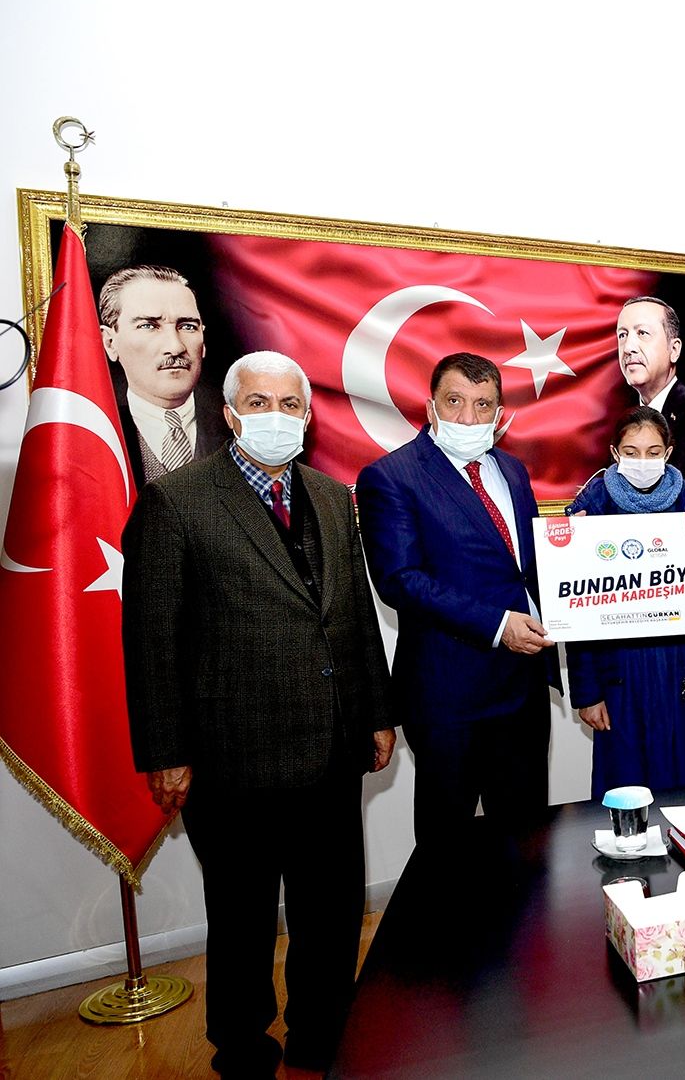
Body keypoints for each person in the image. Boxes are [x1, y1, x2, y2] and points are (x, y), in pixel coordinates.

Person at [122, 350, 395, 1078]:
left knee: (331, 910)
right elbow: (150, 642)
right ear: (230, 413)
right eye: (259, 403)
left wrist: (376, 712)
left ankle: (321, 1033)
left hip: (331, 748)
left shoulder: (331, 497)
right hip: (231, 758)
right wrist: (164, 753)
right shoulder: (176, 502)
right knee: (242, 918)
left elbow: (352, 617)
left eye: (290, 404)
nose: (276, 416)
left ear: (307, 416)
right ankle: (240, 1048)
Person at [356, 353, 560, 848]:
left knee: (528, 842)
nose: (468, 418)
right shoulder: (391, 476)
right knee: (446, 850)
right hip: (448, 697)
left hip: (523, 691)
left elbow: (526, 568)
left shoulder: (512, 471)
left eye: (482, 405)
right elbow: (401, 580)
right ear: (430, 407)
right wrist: (498, 625)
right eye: (454, 402)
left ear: (499, 414)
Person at [563, 407, 685, 797]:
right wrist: (588, 694)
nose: (643, 461)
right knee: (626, 794)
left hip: (684, 669)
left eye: (653, 452)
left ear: (669, 452)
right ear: (614, 452)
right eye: (632, 451)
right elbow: (578, 612)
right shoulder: (590, 507)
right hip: (619, 674)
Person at [98, 264, 229, 484]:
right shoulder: (91, 437)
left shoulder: (240, 433)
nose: (175, 347)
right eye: (148, 326)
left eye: (187, 326)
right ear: (110, 343)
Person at [617, 295, 685, 474]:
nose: (628, 348)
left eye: (642, 333)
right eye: (622, 335)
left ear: (674, 350)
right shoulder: (619, 421)